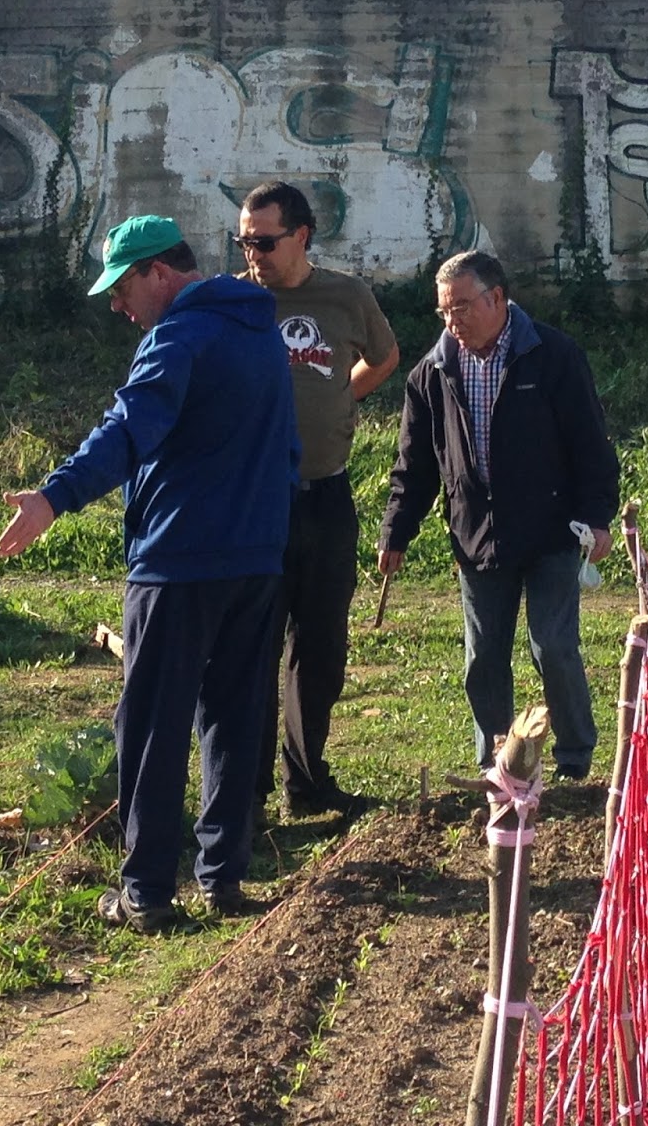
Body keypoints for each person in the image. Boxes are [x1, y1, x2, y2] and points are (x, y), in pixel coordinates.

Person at [0, 215, 298, 930]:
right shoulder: (260, 332)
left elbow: (130, 428)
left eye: (121, 285)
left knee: (153, 723)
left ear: (158, 271)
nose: (115, 304)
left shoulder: (179, 337)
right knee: (232, 714)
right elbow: (287, 444)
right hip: (255, 559)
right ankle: (223, 875)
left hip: (179, 562)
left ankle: (146, 892)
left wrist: (53, 497)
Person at [377, 250, 619, 779]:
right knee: (483, 659)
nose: (452, 320)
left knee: (552, 647)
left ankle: (575, 757)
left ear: (497, 299)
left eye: (462, 306)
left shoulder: (552, 356)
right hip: (476, 537)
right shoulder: (431, 374)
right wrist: (396, 530)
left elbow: (590, 445)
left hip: (552, 530)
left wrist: (598, 515)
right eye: (444, 310)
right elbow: (413, 467)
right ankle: (498, 764)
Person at [236, 181, 399, 820]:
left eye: (265, 241)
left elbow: (384, 359)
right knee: (254, 646)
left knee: (322, 646)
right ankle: (245, 794)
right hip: (255, 503)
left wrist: (339, 399)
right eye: (245, 241)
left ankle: (307, 782)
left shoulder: (346, 296)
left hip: (327, 497)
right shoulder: (235, 302)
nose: (254, 253)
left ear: (302, 236)